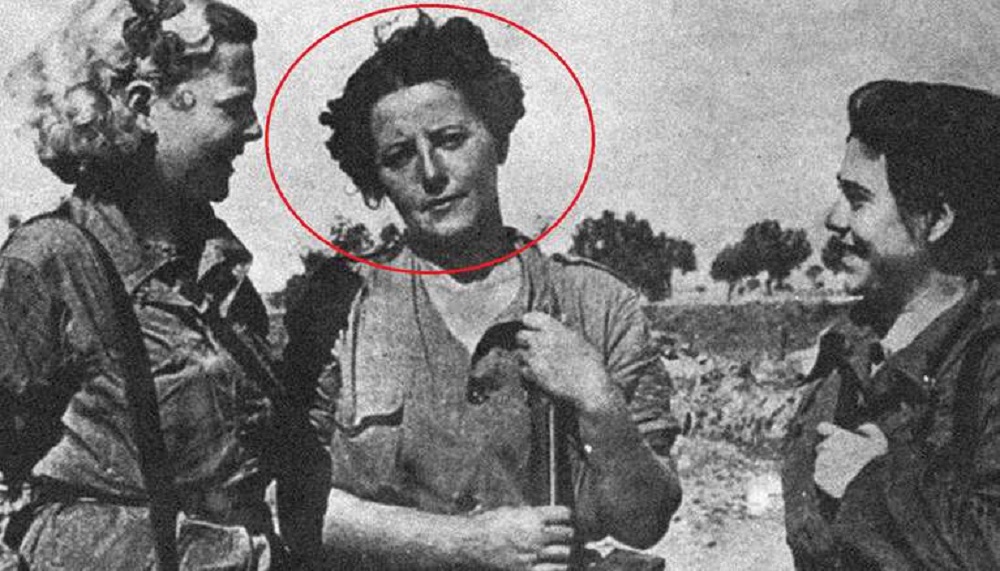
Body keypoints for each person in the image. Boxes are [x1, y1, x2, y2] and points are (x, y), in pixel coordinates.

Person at [281, 12, 682, 570]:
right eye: (398, 156)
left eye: (450, 140)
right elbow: (288, 502)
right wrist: (462, 542)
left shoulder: (597, 305)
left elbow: (644, 523)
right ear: (376, 180)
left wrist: (598, 401)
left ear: (497, 139)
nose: (431, 173)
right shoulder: (339, 311)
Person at [0, 0, 292, 568]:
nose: (254, 128)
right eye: (234, 105)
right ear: (142, 106)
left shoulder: (220, 271)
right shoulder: (49, 263)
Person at [782, 79, 1000, 569]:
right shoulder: (850, 353)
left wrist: (875, 483)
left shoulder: (987, 366)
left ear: (936, 219)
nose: (834, 218)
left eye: (858, 199)